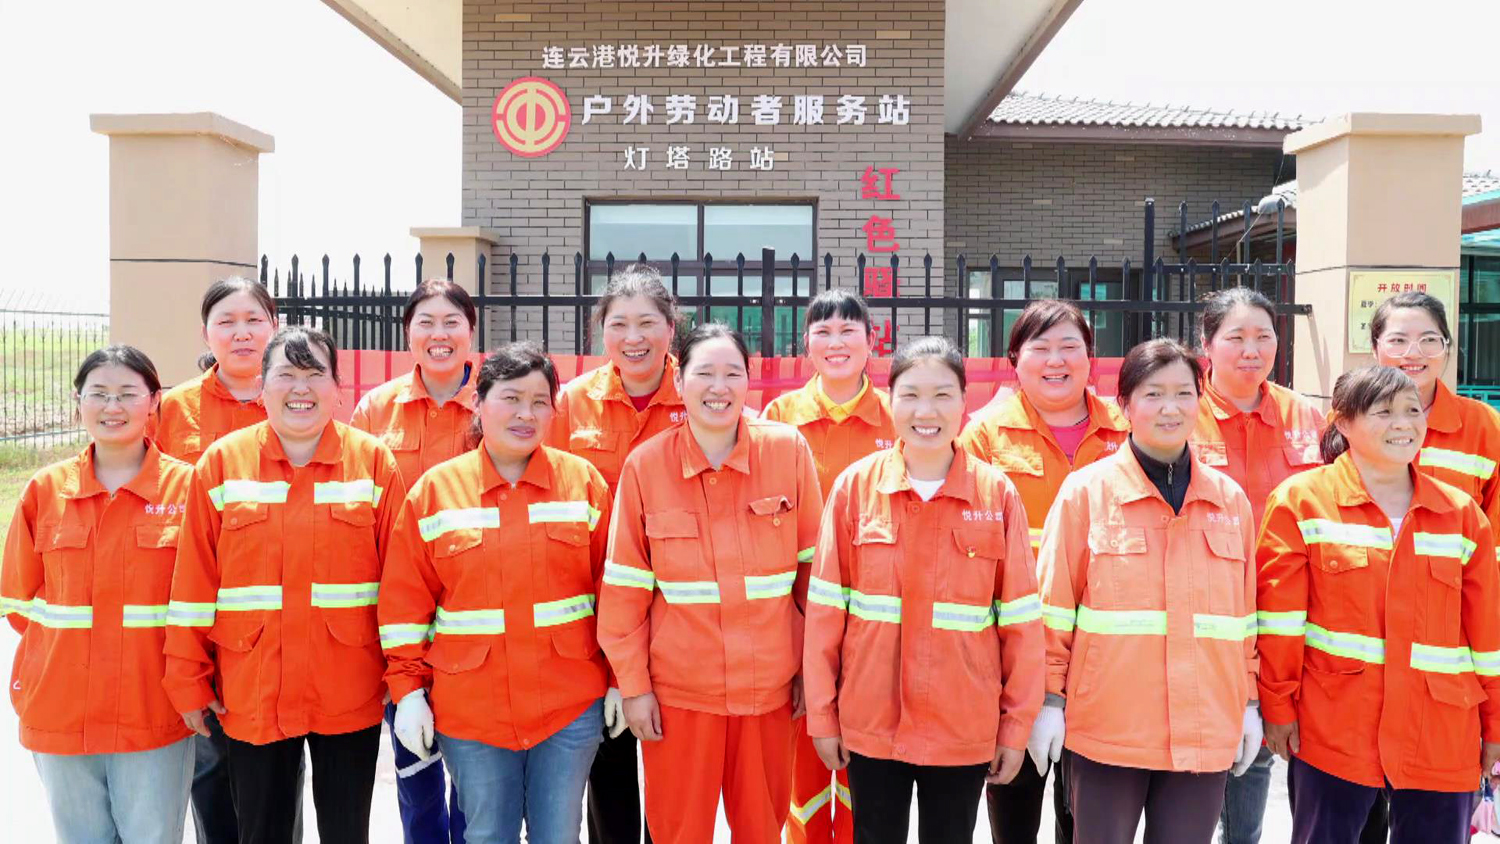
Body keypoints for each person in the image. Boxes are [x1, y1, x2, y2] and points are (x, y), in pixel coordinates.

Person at [163, 327, 405, 844]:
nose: (301, 388)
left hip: (349, 685)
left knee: (347, 832)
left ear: (338, 388)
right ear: (262, 386)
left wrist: (405, 676)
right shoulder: (221, 464)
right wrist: (187, 678)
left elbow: (402, 584)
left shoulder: (374, 463)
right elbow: (193, 582)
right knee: (261, 831)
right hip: (253, 688)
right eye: (286, 375)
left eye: (315, 374)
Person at [802, 335, 1045, 844]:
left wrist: (1015, 727)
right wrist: (823, 716)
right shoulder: (855, 489)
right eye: (910, 395)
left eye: (942, 395)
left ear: (964, 402)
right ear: (890, 400)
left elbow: (1021, 624)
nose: (925, 411)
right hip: (872, 723)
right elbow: (824, 615)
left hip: (962, 725)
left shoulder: (996, 495)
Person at [379, 342, 615, 843]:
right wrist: (408, 693)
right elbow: (404, 605)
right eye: (511, 398)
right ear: (479, 402)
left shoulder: (584, 485)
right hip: (472, 714)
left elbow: (613, 596)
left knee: (559, 836)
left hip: (569, 707)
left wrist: (620, 679)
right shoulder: (435, 493)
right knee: (486, 835)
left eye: (539, 401)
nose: (525, 414)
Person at [597, 323, 823, 844]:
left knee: (761, 832)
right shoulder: (646, 467)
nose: (719, 388)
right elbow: (625, 592)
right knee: (678, 834)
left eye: (732, 374)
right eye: (704, 373)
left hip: (769, 694)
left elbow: (815, 577)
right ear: (680, 382)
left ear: (749, 381)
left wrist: (811, 671)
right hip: (680, 700)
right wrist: (634, 688)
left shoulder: (787, 452)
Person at [1028, 338, 1261, 843]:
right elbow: (1053, 607)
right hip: (1109, 730)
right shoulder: (1087, 493)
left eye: (1183, 394)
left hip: (1204, 729)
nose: (1170, 408)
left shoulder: (1229, 501)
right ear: (1125, 406)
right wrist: (1047, 700)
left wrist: (1248, 704)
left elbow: (1244, 618)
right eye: (1153, 394)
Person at [1257, 364, 1500, 844]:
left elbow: (1488, 634)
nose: (1403, 424)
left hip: (1440, 733)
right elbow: (1280, 622)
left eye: (1412, 411)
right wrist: (1278, 707)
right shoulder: (1301, 502)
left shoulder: (1461, 515)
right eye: (1383, 412)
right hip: (1335, 729)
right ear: (1343, 422)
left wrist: (1494, 723)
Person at [1, 346, 194, 844]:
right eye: (99, 394)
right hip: (60, 709)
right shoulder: (45, 490)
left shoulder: (187, 490)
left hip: (153, 711)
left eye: (128, 393)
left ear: (154, 401)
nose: (113, 406)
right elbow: (18, 604)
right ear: (78, 402)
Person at [956, 298, 1129, 844]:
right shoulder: (983, 436)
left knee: (1085, 815)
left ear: (1091, 358)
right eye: (1041, 347)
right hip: (1015, 650)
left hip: (1102, 651)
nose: (1056, 360)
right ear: (1015, 360)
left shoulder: (1127, 432)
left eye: (1069, 347)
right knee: (1014, 805)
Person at [152, 276, 293, 844]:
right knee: (209, 762)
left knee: (279, 767)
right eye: (226, 322)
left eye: (254, 320)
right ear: (205, 333)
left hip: (279, 616)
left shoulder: (296, 398)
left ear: (274, 326)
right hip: (199, 608)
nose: (242, 334)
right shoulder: (174, 409)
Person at [548, 263, 686, 844]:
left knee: (672, 763)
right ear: (600, 331)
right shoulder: (571, 404)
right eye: (619, 324)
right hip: (596, 612)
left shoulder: (697, 395)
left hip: (678, 611)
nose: (634, 337)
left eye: (647, 323)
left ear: (671, 328)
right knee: (607, 768)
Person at [1188, 287, 1325, 844]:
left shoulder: (1305, 416)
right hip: (1205, 607)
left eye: (1264, 337)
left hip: (1285, 609)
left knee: (1263, 739)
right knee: (1204, 739)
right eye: (1236, 338)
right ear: (1207, 345)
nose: (1252, 350)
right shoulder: (1183, 411)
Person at [761, 288, 896, 844]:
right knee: (805, 766)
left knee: (870, 766)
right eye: (823, 332)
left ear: (871, 341)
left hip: (875, 615)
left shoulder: (898, 415)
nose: (836, 343)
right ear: (806, 344)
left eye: (848, 331)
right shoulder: (779, 418)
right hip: (799, 613)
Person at [351, 279, 479, 844]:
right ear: (408, 334)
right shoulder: (377, 410)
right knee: (415, 769)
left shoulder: (496, 402)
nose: (438, 334)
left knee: (477, 774)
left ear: (471, 331)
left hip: (476, 613)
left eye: (451, 322)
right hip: (400, 614)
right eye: (425, 322)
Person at [1370, 291, 1500, 533]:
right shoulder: (1347, 419)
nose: (1413, 353)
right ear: (1375, 348)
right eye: (1398, 340)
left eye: (1429, 339)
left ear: (1446, 347)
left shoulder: (1485, 425)